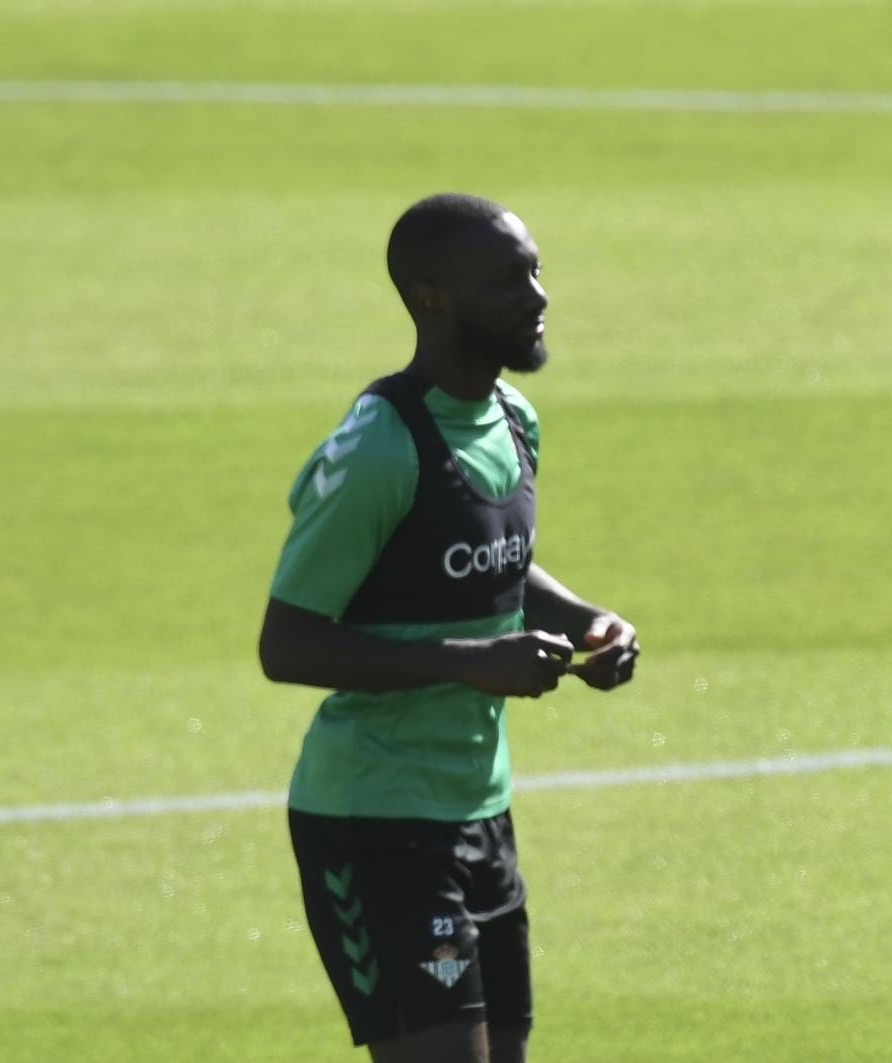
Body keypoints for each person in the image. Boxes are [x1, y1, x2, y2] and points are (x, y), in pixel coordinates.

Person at [258, 192, 639, 1063]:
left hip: (479, 811)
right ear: (431, 297)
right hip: (375, 820)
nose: (538, 295)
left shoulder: (513, 420)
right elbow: (288, 642)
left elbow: (491, 559)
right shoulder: (382, 447)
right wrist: (473, 662)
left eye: (536, 270)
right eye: (509, 280)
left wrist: (588, 619)